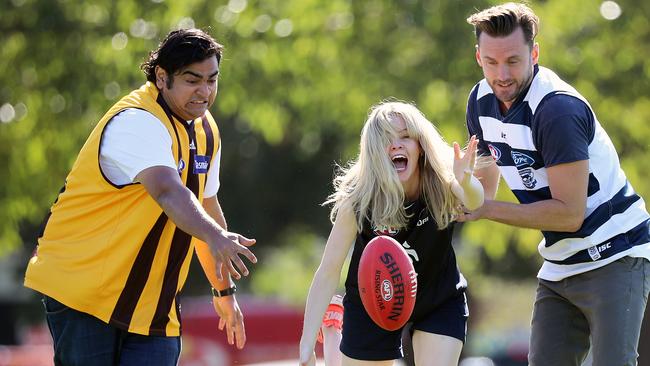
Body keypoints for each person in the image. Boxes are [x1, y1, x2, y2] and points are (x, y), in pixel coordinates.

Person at [23, 28, 257, 365]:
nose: (204, 92)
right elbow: (168, 191)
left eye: (212, 80)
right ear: (162, 77)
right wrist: (216, 235)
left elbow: (205, 205)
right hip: (85, 294)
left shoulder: (207, 129)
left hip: (153, 310)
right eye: (192, 80)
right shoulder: (137, 120)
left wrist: (223, 291)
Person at [462, 3, 650, 365]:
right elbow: (483, 188)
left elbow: (569, 215)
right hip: (560, 262)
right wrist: (458, 190)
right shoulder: (480, 101)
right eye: (491, 62)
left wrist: (485, 210)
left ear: (534, 53)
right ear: (478, 57)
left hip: (615, 253)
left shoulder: (556, 110)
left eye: (513, 61)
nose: (501, 74)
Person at [299, 101, 484, 365]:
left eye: (405, 136)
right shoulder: (359, 198)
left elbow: (475, 201)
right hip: (374, 298)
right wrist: (306, 344)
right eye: (386, 138)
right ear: (375, 151)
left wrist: (466, 180)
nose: (396, 144)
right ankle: (332, 331)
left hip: (437, 298)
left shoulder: (441, 181)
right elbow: (329, 269)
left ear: (420, 147)